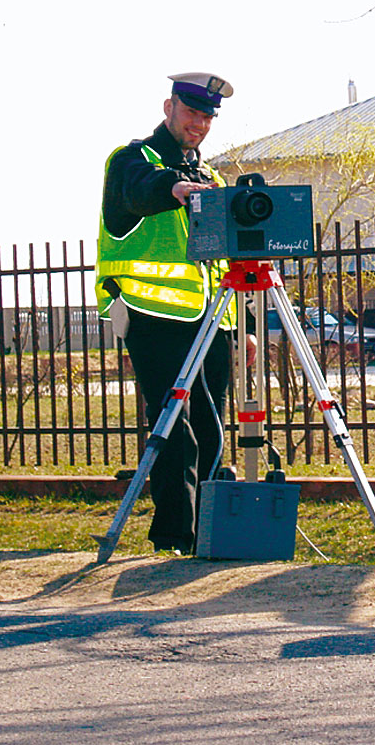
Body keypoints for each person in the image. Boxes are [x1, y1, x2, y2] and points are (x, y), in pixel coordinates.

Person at [95, 72, 239, 555]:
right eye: (192, 112)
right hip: (150, 311)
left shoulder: (212, 176)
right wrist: (175, 189)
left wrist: (242, 326)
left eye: (207, 117)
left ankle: (204, 530)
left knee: (212, 423)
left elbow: (223, 256)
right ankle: (176, 533)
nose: (199, 124)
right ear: (168, 107)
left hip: (212, 317)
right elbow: (141, 190)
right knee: (174, 425)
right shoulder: (133, 160)